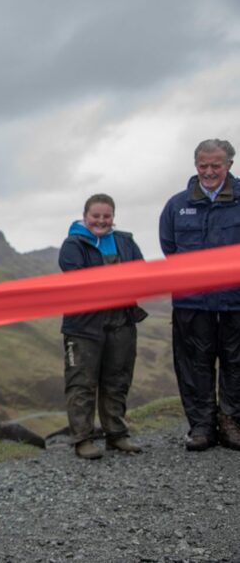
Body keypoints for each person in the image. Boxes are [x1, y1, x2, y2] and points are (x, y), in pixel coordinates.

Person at [159, 139, 240, 452]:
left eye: (215, 165)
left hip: (235, 302)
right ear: (196, 165)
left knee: (236, 363)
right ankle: (202, 427)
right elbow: (170, 248)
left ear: (229, 165)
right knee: (194, 365)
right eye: (203, 165)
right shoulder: (176, 205)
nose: (209, 171)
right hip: (192, 302)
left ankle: (231, 424)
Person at [59, 194, 147, 459]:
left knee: (117, 380)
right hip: (83, 325)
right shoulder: (73, 244)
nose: (101, 221)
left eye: (106, 216)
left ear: (113, 217)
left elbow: (141, 272)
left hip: (121, 321)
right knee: (81, 383)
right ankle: (83, 440)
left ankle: (116, 436)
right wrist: (122, 280)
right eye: (95, 216)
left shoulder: (125, 241)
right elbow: (82, 280)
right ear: (85, 216)